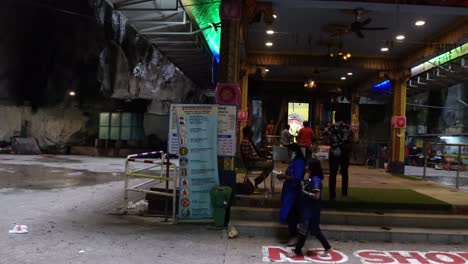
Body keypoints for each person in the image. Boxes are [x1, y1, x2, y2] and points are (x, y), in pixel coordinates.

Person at [293, 159, 332, 256]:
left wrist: (304, 191)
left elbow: (316, 196)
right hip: (309, 209)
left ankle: (298, 249)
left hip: (311, 210)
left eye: (308, 166)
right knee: (311, 229)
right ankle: (327, 247)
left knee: (306, 229)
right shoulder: (313, 178)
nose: (307, 167)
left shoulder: (316, 180)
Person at [276, 143, 306, 243]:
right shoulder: (294, 162)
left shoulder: (299, 162)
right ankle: (293, 236)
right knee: (290, 215)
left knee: (292, 215)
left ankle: (295, 237)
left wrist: (284, 177)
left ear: (294, 152)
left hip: (294, 193)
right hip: (290, 191)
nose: (288, 154)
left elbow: (297, 178)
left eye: (289, 151)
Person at [328, 111, 352, 201]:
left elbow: (329, 140)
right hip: (344, 153)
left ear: (335, 117)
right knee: (345, 174)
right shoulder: (348, 128)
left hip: (334, 153)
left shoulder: (331, 127)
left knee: (332, 174)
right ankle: (344, 194)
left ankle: (332, 195)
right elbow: (350, 141)